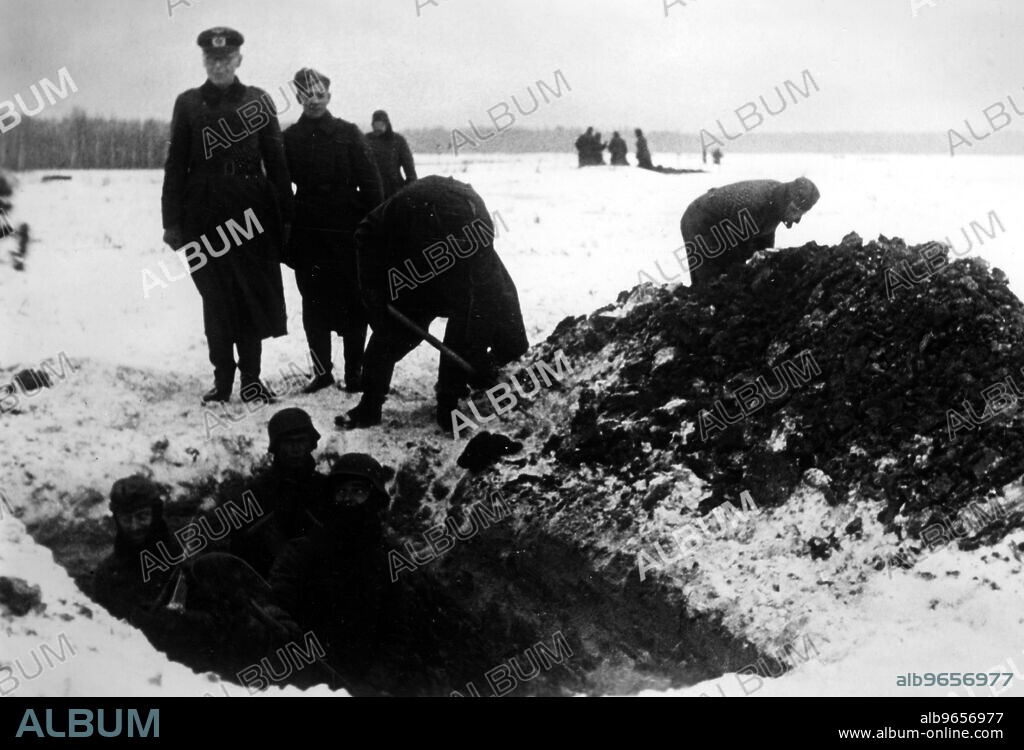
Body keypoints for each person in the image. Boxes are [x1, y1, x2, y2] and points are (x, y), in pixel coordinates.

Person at [161, 27, 292, 406]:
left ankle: (251, 380)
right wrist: (172, 222)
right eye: (213, 60)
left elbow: (277, 164)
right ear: (205, 61)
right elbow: (176, 165)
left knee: (249, 298)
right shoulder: (187, 104)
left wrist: (285, 219)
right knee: (216, 301)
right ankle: (223, 379)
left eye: (226, 59)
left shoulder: (259, 101)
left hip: (251, 216)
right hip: (202, 217)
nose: (220, 65)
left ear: (238, 60)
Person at [337, 175, 529, 431]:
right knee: (393, 335)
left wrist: (474, 359)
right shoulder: (405, 208)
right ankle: (370, 404)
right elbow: (364, 234)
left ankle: (459, 388)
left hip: (469, 272)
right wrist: (373, 291)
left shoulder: (480, 230)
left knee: (509, 336)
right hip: (414, 272)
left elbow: (479, 305)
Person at [283, 69, 384, 394]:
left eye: (320, 94)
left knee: (354, 303)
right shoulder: (289, 138)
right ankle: (321, 372)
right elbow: (281, 189)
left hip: (347, 230)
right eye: (307, 94)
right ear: (298, 98)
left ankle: (354, 373)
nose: (314, 100)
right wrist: (286, 232)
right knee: (312, 303)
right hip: (308, 231)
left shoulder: (348, 133)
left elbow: (371, 184)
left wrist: (371, 230)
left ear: (329, 95)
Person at [270, 453, 393, 685]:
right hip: (305, 673)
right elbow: (278, 598)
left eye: (359, 491)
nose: (348, 499)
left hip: (362, 677)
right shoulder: (303, 550)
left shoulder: (387, 559)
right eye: (341, 491)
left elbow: (397, 631)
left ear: (373, 498)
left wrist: (378, 680)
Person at [229, 407, 333, 577]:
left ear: (310, 444)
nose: (296, 449)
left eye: (301, 441)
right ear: (276, 447)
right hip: (267, 576)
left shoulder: (324, 487)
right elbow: (239, 546)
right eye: (289, 442)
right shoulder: (258, 490)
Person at [680, 177, 820, 290]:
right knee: (712, 282)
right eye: (795, 211)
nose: (796, 218)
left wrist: (765, 259)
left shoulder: (778, 200)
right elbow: (733, 248)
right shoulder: (756, 205)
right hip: (701, 221)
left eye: (801, 213)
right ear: (788, 201)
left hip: (727, 224)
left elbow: (765, 233)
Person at [365, 110, 417, 200]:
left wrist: (411, 188)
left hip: (394, 189)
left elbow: (409, 168)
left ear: (386, 124)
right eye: (375, 125)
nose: (378, 128)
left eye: (380, 124)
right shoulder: (366, 140)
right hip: (372, 189)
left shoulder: (397, 141)